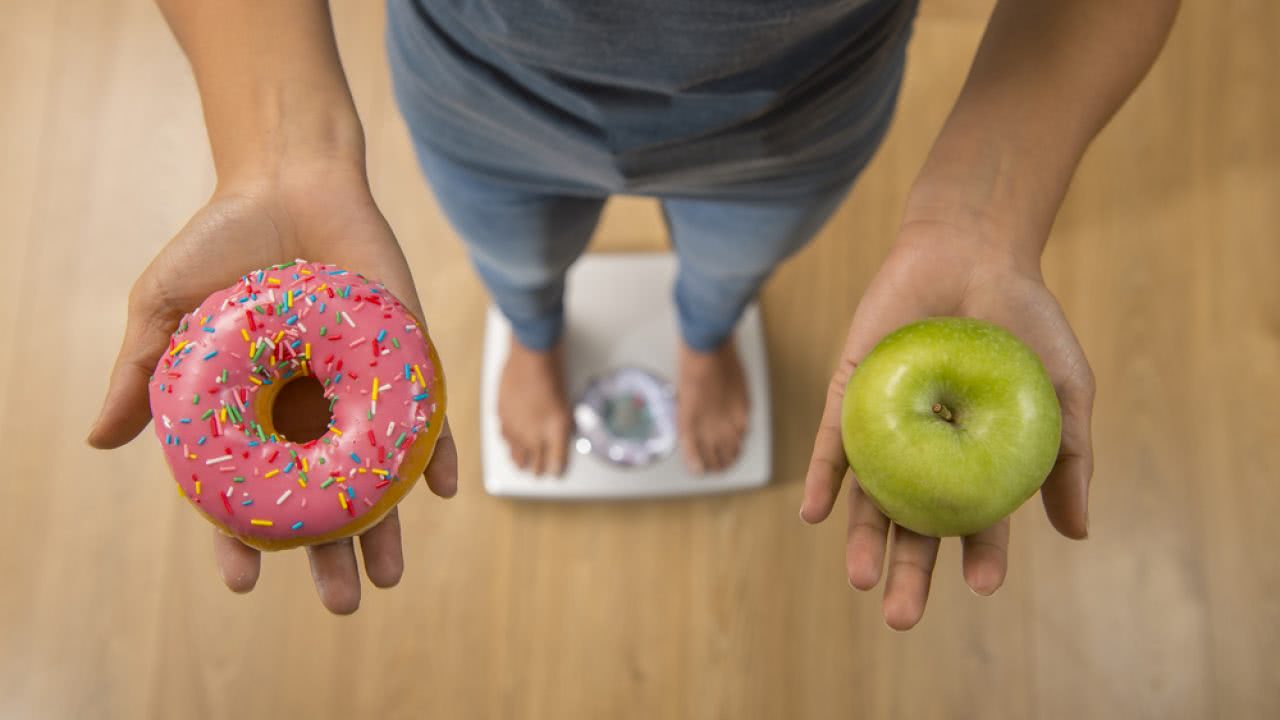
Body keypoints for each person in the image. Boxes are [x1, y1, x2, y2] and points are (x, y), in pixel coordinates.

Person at [87, 0, 1178, 625]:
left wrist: (984, 207)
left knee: (730, 267)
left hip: (790, 116)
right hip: (478, 93)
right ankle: (537, 331)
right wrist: (279, 145)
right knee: (516, 254)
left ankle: (704, 335)